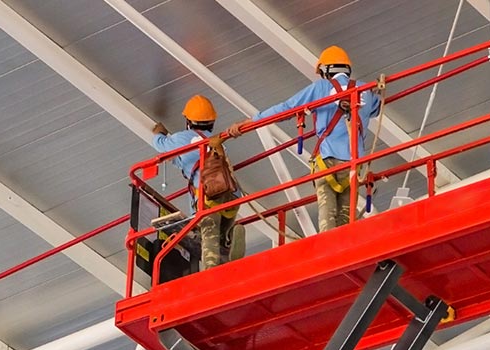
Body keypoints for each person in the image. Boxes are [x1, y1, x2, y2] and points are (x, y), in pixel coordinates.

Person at [226, 45, 381, 232]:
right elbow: (376, 108)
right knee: (346, 220)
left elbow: (287, 108)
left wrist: (252, 121)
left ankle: (328, 251)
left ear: (326, 70)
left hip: (328, 161)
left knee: (327, 216)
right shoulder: (366, 89)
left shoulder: (321, 88)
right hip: (354, 163)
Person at [152, 95, 242, 270]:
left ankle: (210, 270)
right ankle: (231, 241)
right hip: (232, 192)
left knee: (208, 231)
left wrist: (159, 132)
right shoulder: (218, 141)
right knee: (222, 235)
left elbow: (160, 144)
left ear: (188, 120)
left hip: (209, 194)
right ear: (212, 122)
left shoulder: (181, 139)